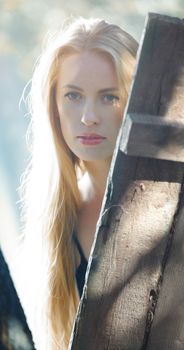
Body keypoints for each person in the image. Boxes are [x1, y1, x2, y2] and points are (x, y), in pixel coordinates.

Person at [15, 17, 138, 350]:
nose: (88, 117)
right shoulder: (57, 216)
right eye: (73, 95)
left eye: (109, 97)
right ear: (53, 104)